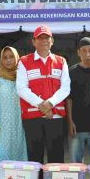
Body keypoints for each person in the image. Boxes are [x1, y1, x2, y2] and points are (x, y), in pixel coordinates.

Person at [16, 26, 71, 164]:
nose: (44, 41)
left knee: (56, 156)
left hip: (56, 116)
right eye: (40, 38)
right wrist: (42, 105)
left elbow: (65, 88)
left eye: (47, 38)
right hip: (33, 117)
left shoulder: (61, 61)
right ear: (33, 41)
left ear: (52, 41)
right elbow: (21, 88)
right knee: (35, 157)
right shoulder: (24, 61)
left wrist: (50, 103)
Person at [66, 37, 90, 164]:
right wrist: (70, 121)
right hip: (77, 125)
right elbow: (69, 99)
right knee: (75, 163)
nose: (87, 54)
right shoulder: (72, 72)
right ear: (78, 53)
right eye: (83, 51)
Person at [0, 46, 27, 162]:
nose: (8, 60)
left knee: (19, 153)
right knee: (2, 155)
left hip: (19, 123)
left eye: (11, 57)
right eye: (5, 58)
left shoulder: (22, 77)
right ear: (1, 60)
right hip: (2, 125)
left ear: (17, 59)